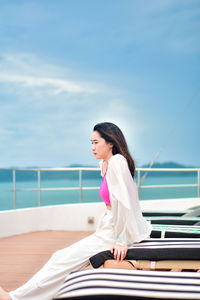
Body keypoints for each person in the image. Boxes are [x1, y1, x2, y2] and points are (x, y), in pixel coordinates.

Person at [0, 122, 152, 300]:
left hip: (114, 233)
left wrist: (121, 240)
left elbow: (126, 204)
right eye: (91, 143)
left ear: (110, 143)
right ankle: (24, 296)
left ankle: (15, 298)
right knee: (61, 258)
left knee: (62, 259)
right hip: (108, 229)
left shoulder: (117, 162)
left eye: (96, 142)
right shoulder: (106, 164)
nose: (92, 147)